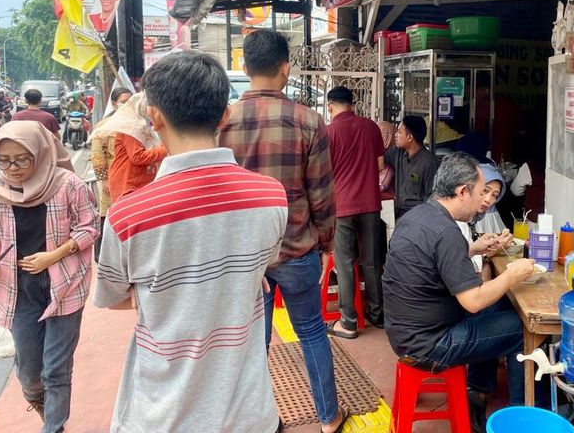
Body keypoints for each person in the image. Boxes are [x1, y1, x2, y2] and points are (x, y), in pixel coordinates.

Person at [94, 53, 287, 433]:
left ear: (155, 117)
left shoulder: (128, 215)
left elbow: (112, 296)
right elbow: (263, 264)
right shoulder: (271, 197)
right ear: (224, 115)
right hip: (250, 414)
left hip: (161, 416)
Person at [219, 29, 348, 433]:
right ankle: (328, 418)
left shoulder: (223, 122)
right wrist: (325, 243)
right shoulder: (309, 121)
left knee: (252, 343)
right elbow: (322, 196)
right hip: (296, 249)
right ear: (286, 69)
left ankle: (255, 418)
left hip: (243, 258)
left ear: (244, 67)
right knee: (311, 333)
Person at [382, 152, 535, 432]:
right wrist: (513, 274)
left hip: (403, 331)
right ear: (462, 191)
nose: (482, 203)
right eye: (480, 193)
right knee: (520, 329)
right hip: (429, 344)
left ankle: (477, 392)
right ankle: (520, 417)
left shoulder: (418, 215)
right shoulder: (447, 231)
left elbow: (430, 258)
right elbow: (473, 302)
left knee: (498, 307)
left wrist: (473, 249)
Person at [0, 121, 99, 433]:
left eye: (21, 159)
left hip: (65, 285)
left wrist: (54, 255)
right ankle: (41, 403)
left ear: (40, 153)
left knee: (55, 370)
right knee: (30, 374)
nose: (12, 168)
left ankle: (54, 427)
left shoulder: (67, 185)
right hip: (19, 290)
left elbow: (89, 226)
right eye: (3, 160)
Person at [325, 86, 385, 337]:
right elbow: (380, 165)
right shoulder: (370, 127)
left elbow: (324, 173)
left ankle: (349, 322)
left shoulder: (328, 132)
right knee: (372, 262)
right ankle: (378, 315)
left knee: (345, 264)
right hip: (370, 204)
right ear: (353, 104)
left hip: (342, 207)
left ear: (330, 107)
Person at [89, 87, 132, 262]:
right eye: (123, 101)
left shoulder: (137, 123)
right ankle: (102, 256)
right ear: (114, 103)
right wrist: (103, 180)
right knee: (108, 214)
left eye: (130, 100)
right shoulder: (105, 126)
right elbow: (97, 155)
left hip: (132, 178)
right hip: (111, 179)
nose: (127, 104)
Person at [105, 94, 168, 202]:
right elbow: (137, 156)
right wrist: (166, 149)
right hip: (128, 182)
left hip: (137, 181)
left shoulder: (140, 125)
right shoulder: (131, 126)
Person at [456, 163, 510, 280]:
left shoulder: (468, 221)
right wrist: (512, 275)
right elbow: (461, 264)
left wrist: (495, 247)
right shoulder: (456, 221)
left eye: (495, 195)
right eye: (485, 190)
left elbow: (466, 255)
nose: (488, 199)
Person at [385, 115, 438, 219]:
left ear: (409, 137)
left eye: (399, 132)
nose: (396, 135)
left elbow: (431, 197)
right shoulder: (398, 153)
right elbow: (379, 157)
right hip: (397, 212)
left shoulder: (428, 163)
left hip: (417, 217)